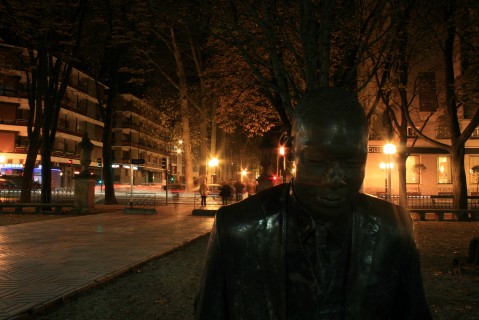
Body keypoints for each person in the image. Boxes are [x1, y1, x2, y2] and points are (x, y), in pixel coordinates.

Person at [195, 87, 432, 319]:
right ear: (291, 150)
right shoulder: (236, 228)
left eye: (352, 162)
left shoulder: (393, 229)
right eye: (318, 160)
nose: (336, 179)